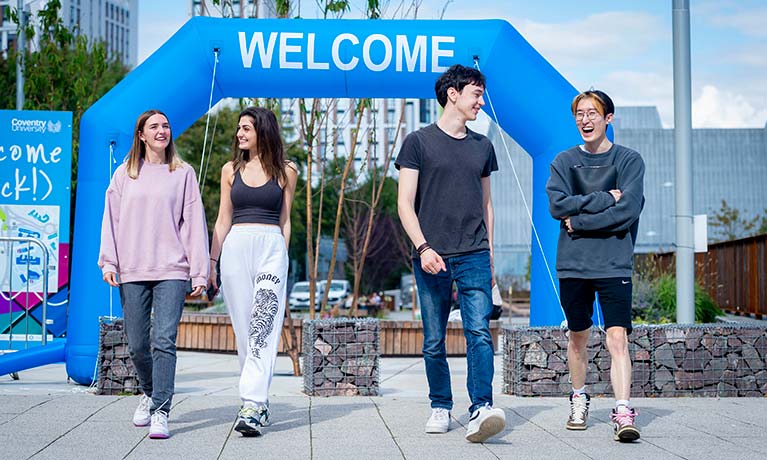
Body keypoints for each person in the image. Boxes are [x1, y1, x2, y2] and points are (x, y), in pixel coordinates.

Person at [396, 64, 506, 443]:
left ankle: (481, 407)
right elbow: (404, 203)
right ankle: (440, 405)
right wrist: (422, 247)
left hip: (475, 252)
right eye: (476, 93)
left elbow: (487, 205)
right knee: (434, 339)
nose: (481, 101)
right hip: (432, 254)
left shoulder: (483, 146)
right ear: (453, 94)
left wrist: (490, 253)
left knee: (479, 332)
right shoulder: (418, 142)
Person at [98, 109, 209, 439]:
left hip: (172, 270)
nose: (162, 130)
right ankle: (148, 393)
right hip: (132, 269)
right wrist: (109, 262)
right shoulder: (125, 174)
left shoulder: (183, 173)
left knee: (164, 340)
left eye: (166, 125)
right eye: (154, 126)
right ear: (141, 135)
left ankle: (161, 410)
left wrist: (200, 271)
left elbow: (194, 224)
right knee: (137, 345)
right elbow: (111, 222)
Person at [546, 90, 645, 442]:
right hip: (573, 265)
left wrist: (580, 221)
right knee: (578, 337)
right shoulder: (563, 161)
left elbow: (628, 211)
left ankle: (622, 409)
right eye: (579, 114)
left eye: (592, 113)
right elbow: (558, 207)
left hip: (614, 263)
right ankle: (578, 398)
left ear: (608, 118)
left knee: (617, 338)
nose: (585, 120)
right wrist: (604, 198)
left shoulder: (629, 161)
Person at [208, 107, 298, 437]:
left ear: (263, 131)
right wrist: (211, 263)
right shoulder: (230, 170)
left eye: (246, 128)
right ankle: (256, 401)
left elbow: (285, 220)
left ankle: (252, 403)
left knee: (263, 325)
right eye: (238, 129)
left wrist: (283, 256)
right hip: (235, 247)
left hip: (271, 246)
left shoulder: (287, 171)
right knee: (245, 330)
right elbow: (222, 220)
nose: (239, 134)